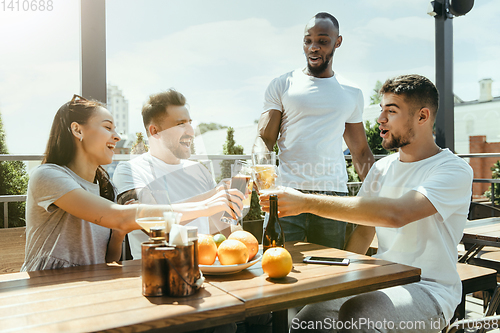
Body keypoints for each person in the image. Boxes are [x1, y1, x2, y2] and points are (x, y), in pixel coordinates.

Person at [260, 74, 473, 331]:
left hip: (431, 291)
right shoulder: (381, 168)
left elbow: (397, 214)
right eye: (381, 110)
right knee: (308, 320)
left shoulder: (453, 169)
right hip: (381, 280)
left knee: (358, 315)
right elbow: (363, 230)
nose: (380, 119)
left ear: (422, 116)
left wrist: (305, 202)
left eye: (391, 111)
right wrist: (343, 279)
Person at [22, 95, 243, 272]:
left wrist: (118, 234)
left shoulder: (103, 188)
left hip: (92, 287)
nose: (117, 136)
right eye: (108, 127)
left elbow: (110, 258)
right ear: (77, 130)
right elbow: (120, 216)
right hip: (48, 287)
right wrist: (206, 204)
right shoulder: (47, 176)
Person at [253, 12, 374, 249]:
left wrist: (381, 196)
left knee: (332, 271)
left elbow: (360, 151)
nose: (313, 47)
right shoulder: (283, 84)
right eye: (308, 40)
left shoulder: (351, 92)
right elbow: (264, 139)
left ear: (337, 42)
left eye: (322, 41)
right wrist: (263, 175)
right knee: (276, 263)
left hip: (332, 198)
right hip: (287, 193)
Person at [113, 89, 239, 259]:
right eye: (181, 124)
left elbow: (221, 235)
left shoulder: (200, 170)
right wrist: (211, 198)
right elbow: (150, 223)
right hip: (155, 273)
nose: (191, 132)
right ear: (155, 131)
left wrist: (228, 205)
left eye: (190, 123)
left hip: (205, 270)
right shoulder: (129, 170)